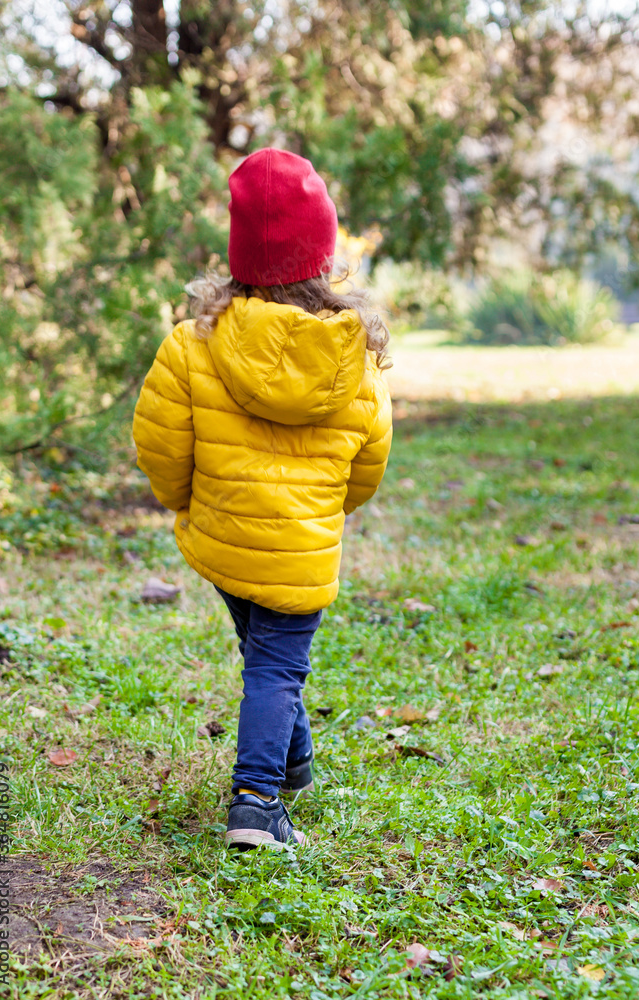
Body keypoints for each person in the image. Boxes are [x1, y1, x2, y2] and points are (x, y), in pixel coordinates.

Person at [132, 148, 393, 850]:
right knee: (276, 667)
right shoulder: (353, 356)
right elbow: (367, 463)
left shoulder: (192, 344)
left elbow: (162, 447)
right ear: (322, 256)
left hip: (222, 538)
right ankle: (255, 805)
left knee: (268, 662)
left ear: (238, 254)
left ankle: (294, 762)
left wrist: (190, 503)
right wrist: (326, 510)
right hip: (302, 549)